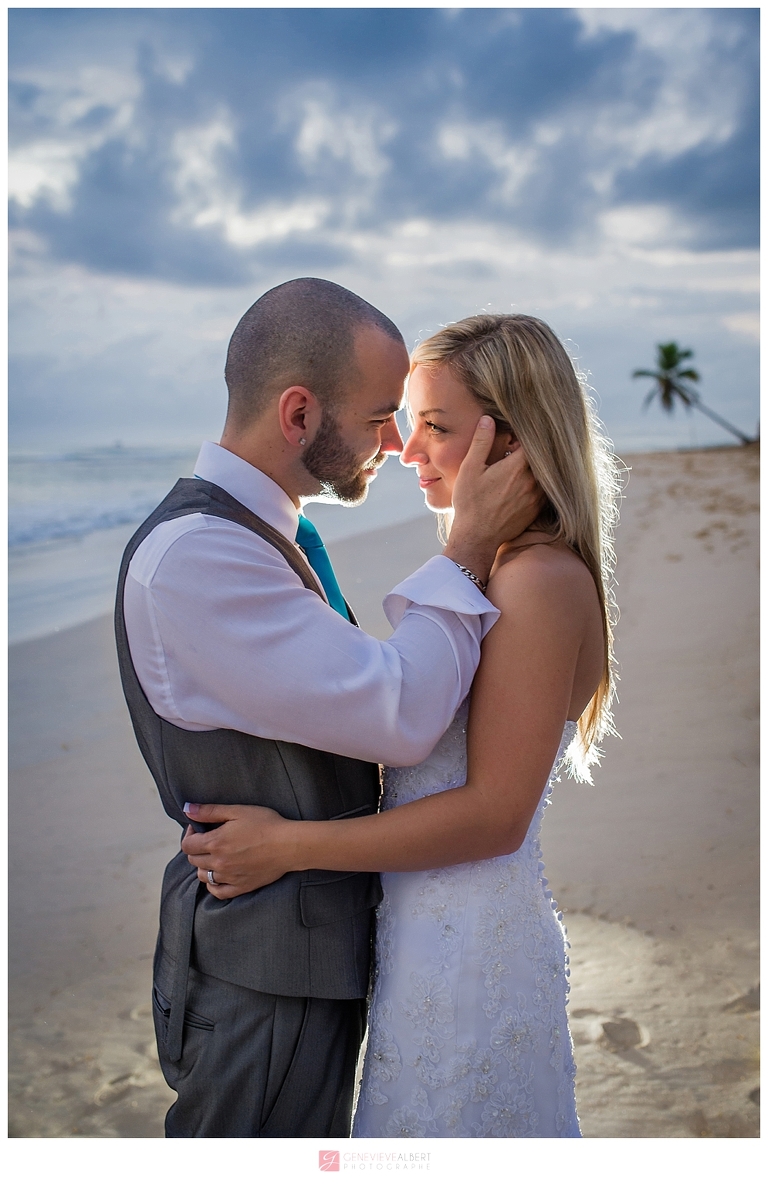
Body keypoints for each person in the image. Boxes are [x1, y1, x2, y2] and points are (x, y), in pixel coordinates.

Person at [115, 279, 542, 1138]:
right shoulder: (199, 556)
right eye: (382, 416)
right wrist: (466, 547)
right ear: (300, 414)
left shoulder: (265, 534)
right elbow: (401, 713)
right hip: (263, 975)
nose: (396, 442)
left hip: (301, 957)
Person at [182, 313, 620, 1138]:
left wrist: (288, 846)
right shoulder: (498, 570)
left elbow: (495, 817)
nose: (408, 450)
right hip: (420, 942)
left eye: (436, 428)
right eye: (409, 422)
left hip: (473, 954)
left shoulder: (537, 582)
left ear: (513, 441)